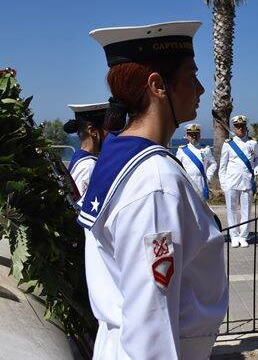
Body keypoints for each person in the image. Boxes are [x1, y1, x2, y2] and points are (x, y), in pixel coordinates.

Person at [77, 20, 228, 359]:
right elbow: (151, 320)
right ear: (158, 85)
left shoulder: (117, 154)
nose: (201, 88)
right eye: (192, 77)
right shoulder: (155, 181)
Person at [219, 115, 258, 247]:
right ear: (234, 128)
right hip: (231, 182)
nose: (240, 129)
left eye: (242, 126)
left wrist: (257, 169)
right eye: (237, 126)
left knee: (246, 210)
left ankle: (244, 236)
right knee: (231, 210)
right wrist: (223, 183)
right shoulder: (228, 144)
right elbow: (223, 165)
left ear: (245, 127)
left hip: (247, 182)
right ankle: (234, 235)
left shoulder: (252, 143)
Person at [64, 102, 108, 197]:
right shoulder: (88, 166)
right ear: (93, 132)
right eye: (108, 129)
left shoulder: (80, 158)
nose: (112, 135)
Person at [175, 123, 217, 200]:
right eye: (191, 134)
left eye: (196, 134)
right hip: (188, 183)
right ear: (187, 136)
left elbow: (213, 164)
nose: (194, 136)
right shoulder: (182, 150)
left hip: (201, 182)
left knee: (202, 206)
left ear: (200, 136)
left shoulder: (205, 149)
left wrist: (208, 176)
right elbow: (177, 166)